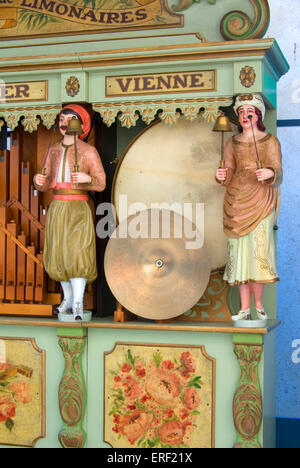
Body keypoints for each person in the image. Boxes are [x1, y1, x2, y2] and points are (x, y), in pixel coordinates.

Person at [34, 104, 106, 321]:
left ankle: (78, 302)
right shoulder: (53, 150)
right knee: (59, 253)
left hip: (78, 206)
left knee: (78, 252)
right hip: (58, 205)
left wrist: (87, 179)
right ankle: (67, 298)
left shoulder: (88, 151)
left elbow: (101, 183)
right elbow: (44, 182)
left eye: (70, 119)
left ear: (81, 124)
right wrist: (38, 181)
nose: (65, 123)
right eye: (62, 119)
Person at [216, 94, 282, 321]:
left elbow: (278, 169)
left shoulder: (269, 140)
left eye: (249, 111)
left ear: (258, 114)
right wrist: (221, 175)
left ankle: (259, 305)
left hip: (261, 199)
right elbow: (229, 171)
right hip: (236, 199)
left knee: (258, 251)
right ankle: (244, 308)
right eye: (241, 111)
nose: (245, 115)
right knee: (240, 253)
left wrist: (270, 173)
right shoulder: (231, 142)